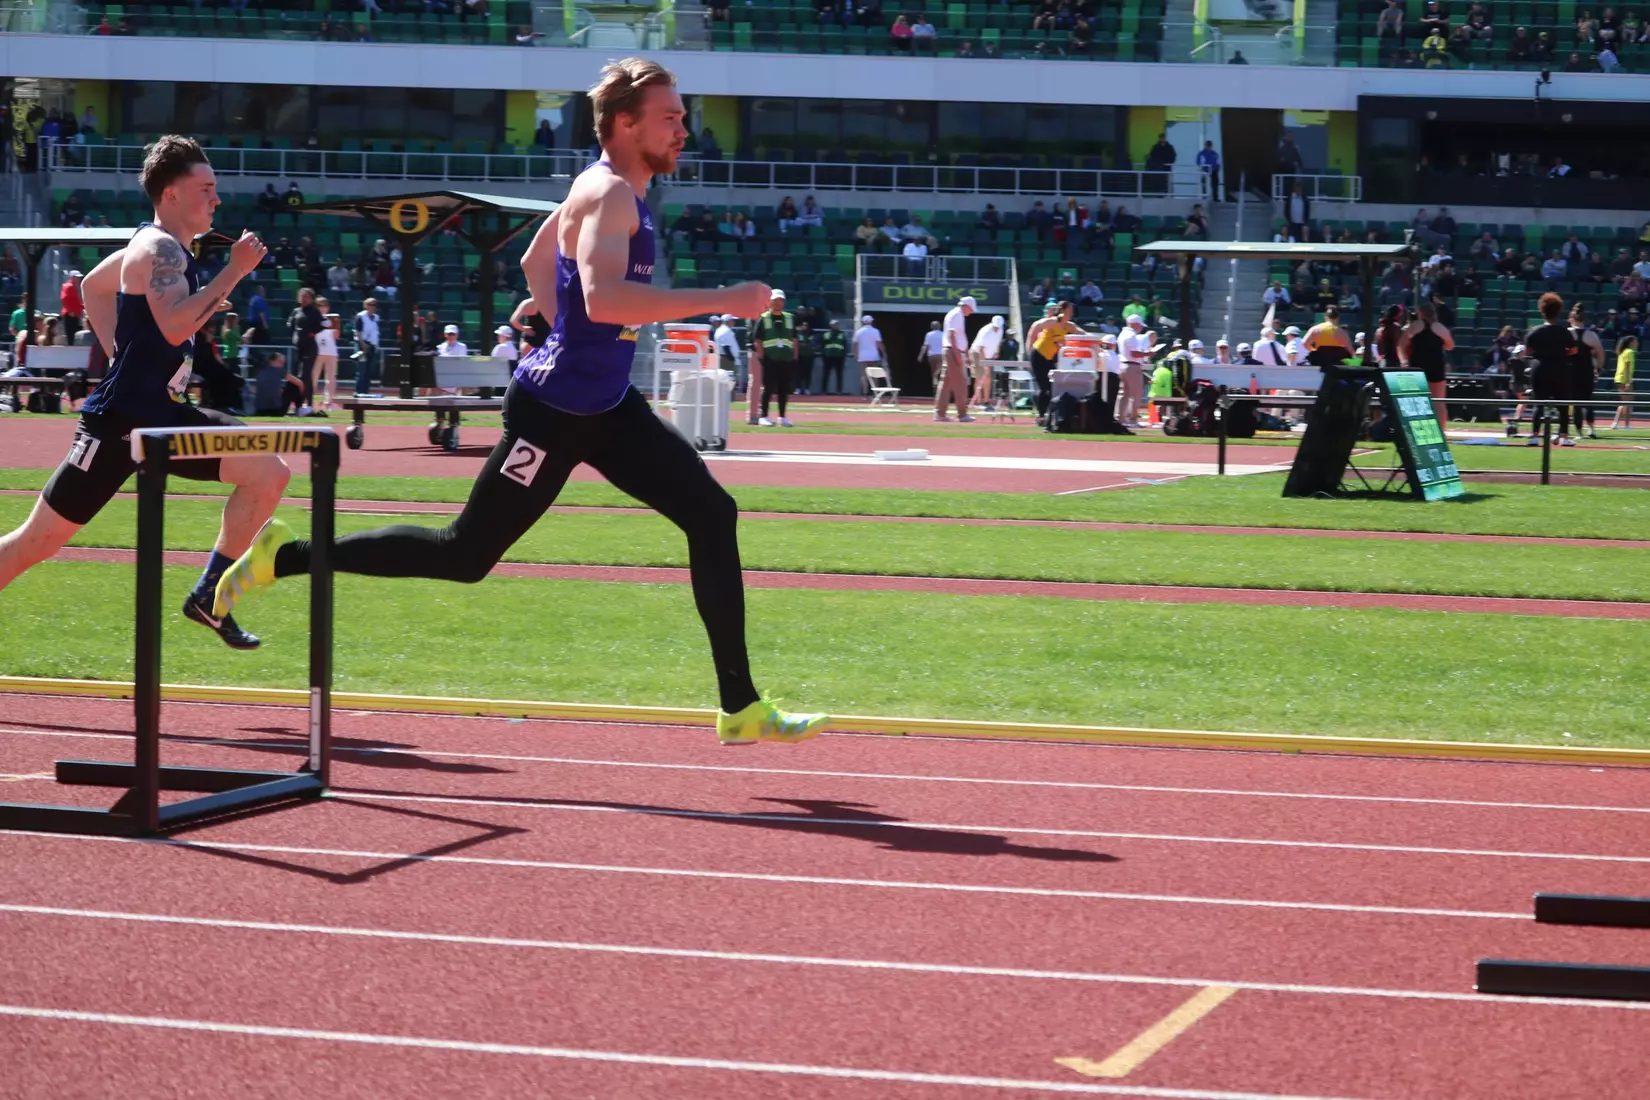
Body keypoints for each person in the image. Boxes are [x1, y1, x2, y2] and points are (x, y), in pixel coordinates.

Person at [212, 59, 827, 745]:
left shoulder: (602, 191)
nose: (686, 129)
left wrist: (555, 311)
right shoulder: (612, 195)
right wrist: (724, 299)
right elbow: (605, 299)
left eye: (682, 117)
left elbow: (539, 258)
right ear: (626, 125)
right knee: (462, 554)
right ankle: (281, 556)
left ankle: (739, 705)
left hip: (607, 406)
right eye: (670, 118)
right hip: (557, 415)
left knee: (713, 513)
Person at [0, 135, 286, 650]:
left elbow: (93, 286)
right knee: (35, 543)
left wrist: (119, 354)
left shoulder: (161, 248)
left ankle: (209, 596)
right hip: (119, 425)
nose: (216, 200)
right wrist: (234, 271)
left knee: (268, 470)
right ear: (171, 195)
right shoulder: (157, 248)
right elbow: (176, 326)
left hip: (164, 417)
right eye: (206, 189)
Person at [1522, 292, 1578, 447]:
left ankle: (1534, 436)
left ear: (1542, 311)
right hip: (1561, 368)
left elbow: (1527, 352)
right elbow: (1573, 351)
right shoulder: (1564, 332)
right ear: (1558, 311)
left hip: (1539, 368)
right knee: (1563, 404)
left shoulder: (1534, 331)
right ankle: (1564, 436)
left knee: (1539, 403)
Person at [1399, 301, 1454, 429]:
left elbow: (1401, 344)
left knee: (1417, 398)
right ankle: (1441, 430)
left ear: (1421, 313)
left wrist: (1404, 361)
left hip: (1418, 364)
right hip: (1436, 364)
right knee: (1439, 401)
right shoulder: (1440, 327)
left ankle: (1417, 427)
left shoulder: (1416, 325)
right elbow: (1450, 346)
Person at [752, 287, 797, 426]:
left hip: (786, 358)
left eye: (781, 300)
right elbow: (757, 339)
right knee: (768, 388)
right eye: (776, 300)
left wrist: (794, 357)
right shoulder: (764, 318)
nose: (778, 303)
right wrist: (762, 357)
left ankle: (782, 417)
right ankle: (764, 416)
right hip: (770, 359)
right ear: (770, 302)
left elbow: (795, 339)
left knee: (784, 388)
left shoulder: (790, 318)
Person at [1026, 300, 1072, 420]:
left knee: (1052, 386)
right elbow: (1035, 327)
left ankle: (1050, 414)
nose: (1071, 312)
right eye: (1069, 310)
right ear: (1062, 310)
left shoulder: (1067, 325)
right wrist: (1029, 347)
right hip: (1039, 354)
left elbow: (1080, 332)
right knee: (1044, 386)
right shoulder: (1052, 321)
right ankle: (1042, 416)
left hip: (1050, 357)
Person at [935, 295, 975, 422]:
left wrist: (965, 354)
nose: (972, 312)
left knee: (946, 384)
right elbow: (952, 335)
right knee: (961, 384)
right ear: (966, 306)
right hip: (953, 351)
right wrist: (958, 354)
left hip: (952, 351)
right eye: (971, 309)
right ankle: (962, 414)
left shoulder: (955, 314)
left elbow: (958, 336)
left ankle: (940, 414)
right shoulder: (957, 315)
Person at [1569, 304, 1605, 439]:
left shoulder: (1567, 333)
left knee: (1576, 403)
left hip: (1571, 372)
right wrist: (1599, 369)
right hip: (1587, 372)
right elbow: (1601, 354)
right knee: (1588, 400)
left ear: (1572, 318)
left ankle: (1579, 433)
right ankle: (1591, 429)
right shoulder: (1591, 334)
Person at [969, 313, 1004, 408]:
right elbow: (981, 349)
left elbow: (998, 341)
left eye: (998, 327)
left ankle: (986, 400)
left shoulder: (1000, 329)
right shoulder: (986, 331)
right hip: (977, 354)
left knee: (988, 377)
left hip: (989, 355)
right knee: (979, 377)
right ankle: (978, 400)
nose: (996, 329)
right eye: (995, 327)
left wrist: (996, 351)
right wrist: (984, 363)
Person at [312, 306, 339, 414]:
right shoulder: (313, 318)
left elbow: (336, 336)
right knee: (314, 377)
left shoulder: (333, 319)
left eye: (324, 306)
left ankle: (329, 402)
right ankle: (309, 400)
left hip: (331, 352)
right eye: (319, 306)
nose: (322, 308)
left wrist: (336, 328)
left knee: (331, 378)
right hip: (317, 352)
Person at [352, 297, 380, 397]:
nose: (373, 307)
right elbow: (358, 331)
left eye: (374, 305)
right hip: (362, 345)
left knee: (369, 370)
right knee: (362, 369)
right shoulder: (360, 316)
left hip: (372, 345)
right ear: (366, 306)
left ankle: (366, 391)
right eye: (371, 305)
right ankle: (359, 391)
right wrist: (363, 344)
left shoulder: (376, 317)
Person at [852, 313, 884, 397]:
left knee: (863, 375)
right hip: (873, 356)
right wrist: (883, 352)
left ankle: (865, 393)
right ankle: (876, 393)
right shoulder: (875, 331)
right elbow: (879, 343)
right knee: (874, 375)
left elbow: (855, 344)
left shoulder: (858, 332)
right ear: (871, 322)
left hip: (863, 356)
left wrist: (856, 354)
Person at [1610, 335, 1637, 430]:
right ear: (1630, 343)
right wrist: (1628, 381)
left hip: (1620, 378)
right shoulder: (1629, 352)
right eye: (1635, 341)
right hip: (1624, 379)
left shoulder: (1622, 352)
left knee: (1625, 402)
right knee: (1628, 403)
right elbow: (1627, 367)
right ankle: (1626, 425)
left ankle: (1616, 423)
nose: (1637, 343)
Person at [820, 318, 847, 396]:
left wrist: (844, 355)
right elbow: (822, 345)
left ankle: (839, 390)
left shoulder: (842, 334)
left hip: (839, 357)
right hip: (828, 357)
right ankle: (823, 390)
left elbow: (845, 345)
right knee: (826, 374)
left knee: (839, 374)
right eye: (834, 325)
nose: (836, 326)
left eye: (837, 325)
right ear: (831, 326)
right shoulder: (826, 334)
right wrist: (823, 355)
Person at [920, 318, 945, 388]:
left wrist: (921, 356)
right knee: (942, 371)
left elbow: (925, 346)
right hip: (941, 355)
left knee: (933, 372)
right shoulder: (943, 334)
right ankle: (941, 387)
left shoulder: (929, 334)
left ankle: (935, 386)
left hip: (931, 355)